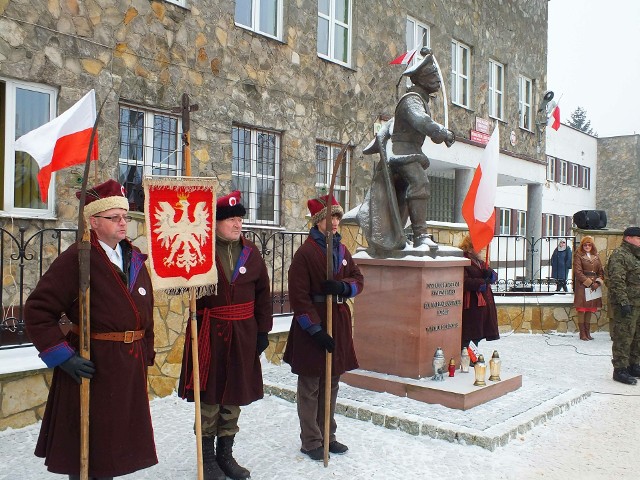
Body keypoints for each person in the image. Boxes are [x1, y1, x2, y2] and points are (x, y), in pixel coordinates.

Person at [24, 180, 157, 479]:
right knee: (89, 449)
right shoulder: (78, 258)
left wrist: (146, 349)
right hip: (92, 365)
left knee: (114, 448)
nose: (124, 223)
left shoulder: (134, 258)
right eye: (115, 217)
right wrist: (63, 357)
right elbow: (37, 311)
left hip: (128, 366)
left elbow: (144, 313)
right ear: (94, 221)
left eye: (125, 215)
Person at [178, 190, 272, 480]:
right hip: (210, 335)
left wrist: (262, 331)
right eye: (230, 219)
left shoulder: (251, 253)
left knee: (233, 397)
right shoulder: (199, 251)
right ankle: (207, 459)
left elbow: (263, 295)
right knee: (210, 397)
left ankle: (225, 456)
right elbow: (180, 284)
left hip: (243, 335)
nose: (237, 224)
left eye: (239, 219)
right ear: (215, 223)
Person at [284, 194, 364, 461]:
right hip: (314, 327)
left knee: (332, 382)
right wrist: (315, 330)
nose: (335, 222)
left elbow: (358, 279)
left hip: (338, 321)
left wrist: (343, 287)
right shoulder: (305, 253)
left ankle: (328, 435)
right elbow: (298, 296)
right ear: (319, 221)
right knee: (311, 385)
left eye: (338, 217)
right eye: (330, 217)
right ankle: (311, 440)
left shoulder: (341, 250)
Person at [358, 47, 455, 251]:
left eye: (437, 75)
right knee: (420, 183)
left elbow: (424, 126)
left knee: (402, 195)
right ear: (420, 79)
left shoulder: (419, 100)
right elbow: (421, 121)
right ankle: (420, 236)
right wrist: (442, 131)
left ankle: (398, 235)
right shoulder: (411, 100)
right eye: (432, 75)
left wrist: (440, 135)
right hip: (402, 153)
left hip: (409, 151)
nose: (437, 79)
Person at [606, 227, 640, 385]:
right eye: (638, 238)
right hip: (626, 304)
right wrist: (623, 302)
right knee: (623, 337)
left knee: (636, 338)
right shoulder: (620, 255)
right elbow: (616, 281)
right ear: (628, 238)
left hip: (638, 304)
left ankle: (634, 365)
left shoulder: (636, 256)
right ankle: (620, 369)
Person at [459, 235, 499, 353]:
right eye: (477, 246)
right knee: (471, 333)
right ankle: (468, 358)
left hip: (482, 304)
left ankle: (472, 357)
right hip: (471, 304)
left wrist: (490, 275)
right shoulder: (464, 262)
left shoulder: (480, 262)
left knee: (477, 334)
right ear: (470, 248)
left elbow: (494, 276)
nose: (481, 249)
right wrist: (482, 282)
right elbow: (464, 281)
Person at [572, 236, 604, 341]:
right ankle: (582, 333)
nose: (587, 246)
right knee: (582, 309)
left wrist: (597, 283)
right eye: (585, 245)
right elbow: (578, 272)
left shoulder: (596, 256)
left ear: (592, 245)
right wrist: (590, 283)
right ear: (582, 245)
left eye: (589, 244)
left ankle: (588, 332)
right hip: (582, 285)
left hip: (594, 285)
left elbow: (601, 272)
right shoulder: (578, 256)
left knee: (590, 309)